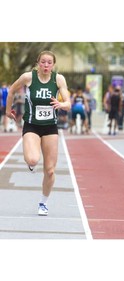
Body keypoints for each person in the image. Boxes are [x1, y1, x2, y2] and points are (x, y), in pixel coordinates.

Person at [5, 50, 71, 216]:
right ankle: (31, 163)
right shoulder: (28, 77)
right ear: (38, 63)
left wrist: (62, 105)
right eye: (43, 62)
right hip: (32, 125)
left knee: (49, 170)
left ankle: (43, 202)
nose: (46, 65)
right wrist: (8, 110)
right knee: (33, 159)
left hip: (50, 127)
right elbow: (11, 90)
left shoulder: (58, 79)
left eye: (49, 62)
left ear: (53, 64)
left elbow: (68, 102)